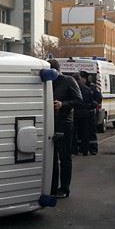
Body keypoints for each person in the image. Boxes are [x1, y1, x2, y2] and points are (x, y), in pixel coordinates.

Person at [48, 59, 83, 198]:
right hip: (50, 123)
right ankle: (52, 186)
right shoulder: (47, 82)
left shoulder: (68, 81)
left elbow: (79, 100)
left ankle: (64, 188)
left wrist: (63, 104)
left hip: (64, 123)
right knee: (51, 157)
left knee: (64, 157)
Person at [73, 72, 101, 155]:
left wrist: (93, 105)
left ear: (84, 78)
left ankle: (93, 149)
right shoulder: (81, 87)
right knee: (81, 132)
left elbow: (98, 98)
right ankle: (81, 149)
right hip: (83, 113)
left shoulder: (92, 87)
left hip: (90, 113)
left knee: (91, 132)